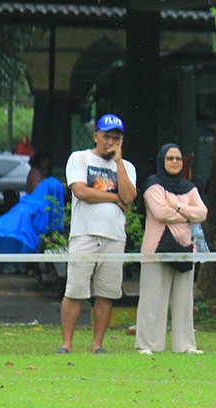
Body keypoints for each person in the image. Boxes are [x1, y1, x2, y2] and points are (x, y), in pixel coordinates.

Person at [57, 114, 137, 354]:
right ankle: (66, 344)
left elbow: (130, 197)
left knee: (106, 293)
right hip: (84, 235)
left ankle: (97, 345)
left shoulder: (127, 167)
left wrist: (119, 162)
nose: (110, 142)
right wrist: (115, 198)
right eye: (106, 136)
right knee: (74, 291)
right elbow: (81, 191)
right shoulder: (79, 158)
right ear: (96, 136)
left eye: (116, 138)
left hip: (114, 237)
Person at [135, 143, 207, 356]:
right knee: (152, 299)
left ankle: (185, 346)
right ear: (161, 161)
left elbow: (202, 213)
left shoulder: (189, 187)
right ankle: (148, 345)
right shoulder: (152, 184)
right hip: (156, 249)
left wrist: (176, 206)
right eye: (170, 158)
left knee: (184, 301)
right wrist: (188, 213)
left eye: (177, 158)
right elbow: (160, 212)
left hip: (186, 248)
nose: (174, 162)